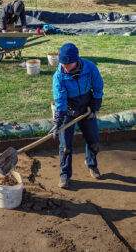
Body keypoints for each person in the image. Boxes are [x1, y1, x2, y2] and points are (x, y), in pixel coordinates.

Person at [52, 43, 104, 189]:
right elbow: (60, 99)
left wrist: (94, 107)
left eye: (69, 63)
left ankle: (91, 164)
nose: (66, 67)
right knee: (65, 147)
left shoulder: (89, 67)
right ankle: (65, 174)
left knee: (93, 142)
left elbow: (98, 86)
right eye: (63, 63)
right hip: (68, 108)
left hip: (86, 106)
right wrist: (58, 120)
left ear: (77, 60)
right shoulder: (59, 76)